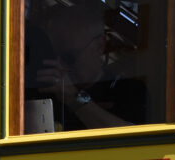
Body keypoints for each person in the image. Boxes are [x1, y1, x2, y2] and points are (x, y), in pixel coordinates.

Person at [25, 0, 148, 132]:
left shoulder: (129, 90)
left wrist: (73, 98)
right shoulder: (47, 91)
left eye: (68, 57)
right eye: (55, 56)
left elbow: (131, 137)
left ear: (99, 46)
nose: (59, 65)